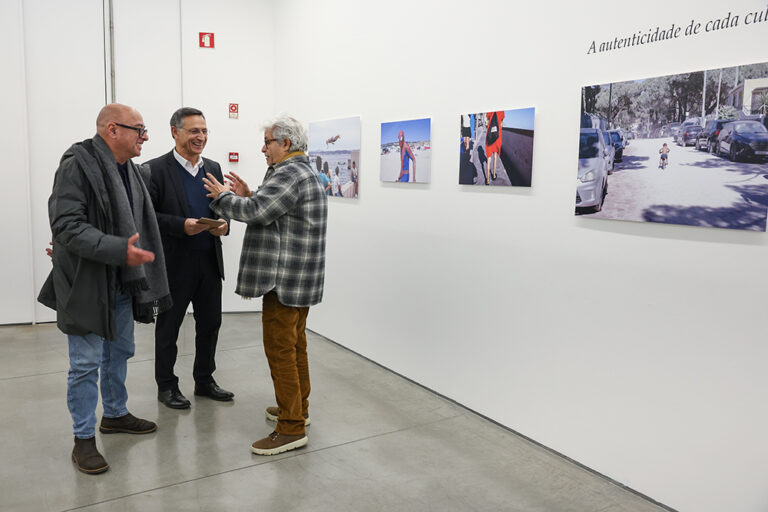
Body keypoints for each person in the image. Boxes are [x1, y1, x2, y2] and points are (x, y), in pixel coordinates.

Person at [37, 103, 172, 474]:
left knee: (119, 353)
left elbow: (142, 219)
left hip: (125, 283)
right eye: (139, 129)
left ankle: (115, 414)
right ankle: (83, 440)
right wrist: (118, 250)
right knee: (84, 365)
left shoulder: (133, 171)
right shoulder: (77, 165)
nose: (145, 136)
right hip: (86, 282)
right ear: (113, 130)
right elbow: (66, 225)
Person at [202, 115, 328, 456]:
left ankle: (291, 427)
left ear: (285, 144)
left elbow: (258, 212)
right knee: (295, 346)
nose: (263, 148)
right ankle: (297, 409)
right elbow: (275, 208)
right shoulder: (305, 171)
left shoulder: (289, 172)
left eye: (269, 141)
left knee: (281, 351)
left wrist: (224, 197)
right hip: (299, 280)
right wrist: (250, 193)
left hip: (283, 280)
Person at [145, 107, 234, 409]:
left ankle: (205, 380)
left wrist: (224, 226)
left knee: (210, 324)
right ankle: (166, 386)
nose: (201, 137)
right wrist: (180, 226)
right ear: (174, 132)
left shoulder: (213, 167)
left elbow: (222, 208)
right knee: (168, 328)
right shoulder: (154, 170)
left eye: (205, 131)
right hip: (173, 266)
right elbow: (147, 218)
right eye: (194, 131)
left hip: (209, 263)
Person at [485, 111, 505, 185]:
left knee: (488, 158)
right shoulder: (501, 111)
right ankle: (493, 175)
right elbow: (501, 123)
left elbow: (487, 122)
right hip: (497, 136)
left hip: (489, 135)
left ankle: (487, 180)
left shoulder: (490, 110)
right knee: (495, 156)